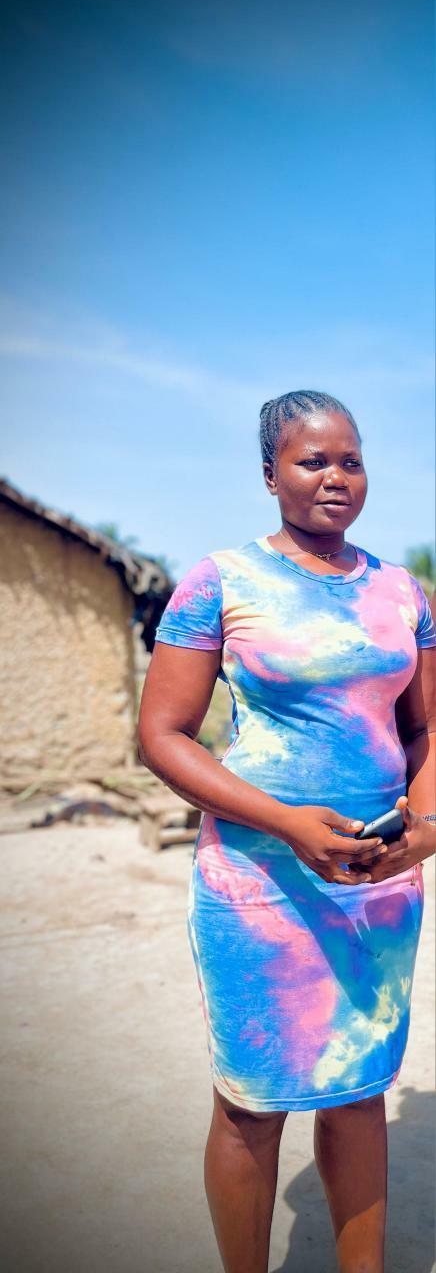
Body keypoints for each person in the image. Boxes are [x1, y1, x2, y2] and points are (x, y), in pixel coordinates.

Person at [138, 390, 436, 1273]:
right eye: (313, 461)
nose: (336, 478)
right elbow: (163, 735)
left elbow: (427, 730)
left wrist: (425, 826)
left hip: (376, 884)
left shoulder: (402, 591)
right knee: (251, 1103)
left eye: (351, 461)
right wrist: (286, 823)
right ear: (270, 474)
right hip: (258, 879)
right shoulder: (221, 581)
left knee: (358, 1091)